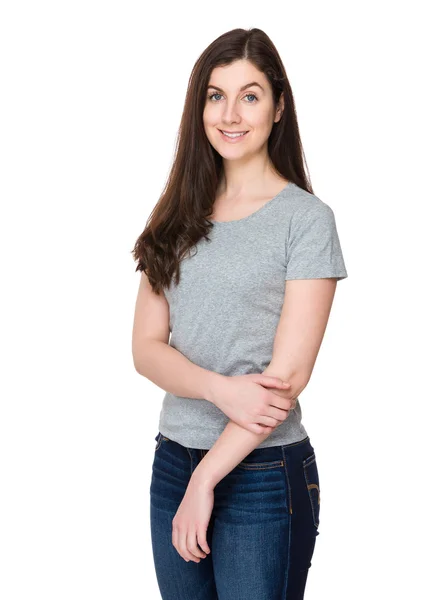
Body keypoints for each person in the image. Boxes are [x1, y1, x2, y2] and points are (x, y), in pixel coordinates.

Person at [131, 27, 348, 600]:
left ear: (278, 108)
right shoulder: (176, 214)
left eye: (250, 95)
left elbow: (287, 379)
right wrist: (219, 390)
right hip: (173, 461)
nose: (230, 113)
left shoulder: (306, 221)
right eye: (215, 95)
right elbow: (146, 348)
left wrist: (207, 479)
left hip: (262, 475)